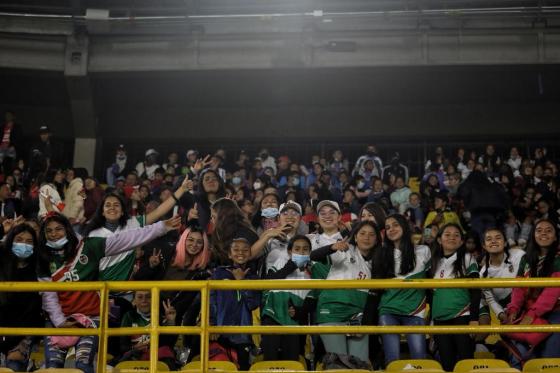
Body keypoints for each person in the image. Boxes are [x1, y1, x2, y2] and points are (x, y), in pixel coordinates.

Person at [37, 213, 181, 373]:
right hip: (58, 320)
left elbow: (127, 239)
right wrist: (60, 323)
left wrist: (161, 227)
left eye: (59, 229)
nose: (54, 234)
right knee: (52, 366)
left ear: (68, 230)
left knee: (83, 365)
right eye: (49, 231)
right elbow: (48, 296)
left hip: (90, 317)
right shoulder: (42, 257)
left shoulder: (89, 247)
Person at [310, 221, 380, 367]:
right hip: (332, 311)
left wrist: (365, 323)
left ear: (376, 239)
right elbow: (314, 256)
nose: (366, 237)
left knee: (359, 365)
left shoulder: (379, 261)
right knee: (338, 364)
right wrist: (332, 247)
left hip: (357, 316)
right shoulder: (345, 249)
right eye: (362, 233)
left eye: (371, 234)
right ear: (355, 237)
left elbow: (374, 298)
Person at [374, 214, 431, 366]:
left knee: (419, 362)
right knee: (392, 361)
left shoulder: (423, 250)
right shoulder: (381, 253)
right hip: (388, 310)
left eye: (395, 225)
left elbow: (432, 282)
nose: (391, 229)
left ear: (404, 227)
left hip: (415, 311)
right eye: (387, 227)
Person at [506, 219, 560, 361]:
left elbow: (552, 291)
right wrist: (514, 309)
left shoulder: (559, 258)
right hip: (528, 311)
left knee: (549, 354)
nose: (543, 233)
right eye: (539, 230)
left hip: (554, 311)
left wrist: (533, 313)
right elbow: (518, 287)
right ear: (533, 235)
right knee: (519, 355)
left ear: (555, 237)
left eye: (548, 231)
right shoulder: (526, 258)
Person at [430, 224, 481, 372]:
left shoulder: (467, 258)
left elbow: (476, 290)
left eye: (456, 235)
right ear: (439, 239)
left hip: (462, 315)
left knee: (466, 362)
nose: (452, 237)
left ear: (461, 241)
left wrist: (474, 319)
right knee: (447, 363)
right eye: (447, 234)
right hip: (439, 318)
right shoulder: (434, 261)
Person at [210, 234, 261, 370]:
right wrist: (212, 324)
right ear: (229, 254)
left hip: (242, 336)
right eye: (236, 249)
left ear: (250, 254)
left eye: (245, 250)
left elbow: (253, 304)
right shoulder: (219, 274)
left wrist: (240, 283)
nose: (240, 253)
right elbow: (211, 301)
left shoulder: (254, 278)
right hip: (220, 332)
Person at [261, 235, 315, 361]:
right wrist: (290, 266)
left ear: (310, 252)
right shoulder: (280, 262)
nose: (301, 252)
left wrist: (298, 312)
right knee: (270, 360)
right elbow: (268, 281)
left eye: (305, 249)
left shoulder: (311, 273)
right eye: (297, 249)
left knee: (291, 361)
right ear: (290, 251)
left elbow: (311, 301)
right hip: (272, 315)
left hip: (294, 322)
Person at [0, 224, 43, 371]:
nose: (23, 244)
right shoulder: (2, 262)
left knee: (13, 366)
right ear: (10, 240)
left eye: (29, 241)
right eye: (19, 239)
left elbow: (36, 312)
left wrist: (24, 342)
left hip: (25, 332)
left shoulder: (39, 268)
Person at [114, 290, 178, 369]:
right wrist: (134, 348)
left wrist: (170, 321)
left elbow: (169, 345)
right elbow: (123, 346)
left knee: (167, 358)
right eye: (140, 297)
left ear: (154, 299)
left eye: (148, 297)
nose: (144, 300)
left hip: (158, 358)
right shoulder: (128, 316)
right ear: (134, 300)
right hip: (135, 357)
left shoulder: (162, 316)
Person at [479, 228, 524, 325]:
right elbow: (491, 299)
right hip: (507, 311)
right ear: (484, 246)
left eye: (498, 238)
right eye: (489, 239)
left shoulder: (519, 255)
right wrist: (501, 314)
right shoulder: (483, 274)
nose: (494, 241)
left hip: (527, 305)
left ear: (504, 242)